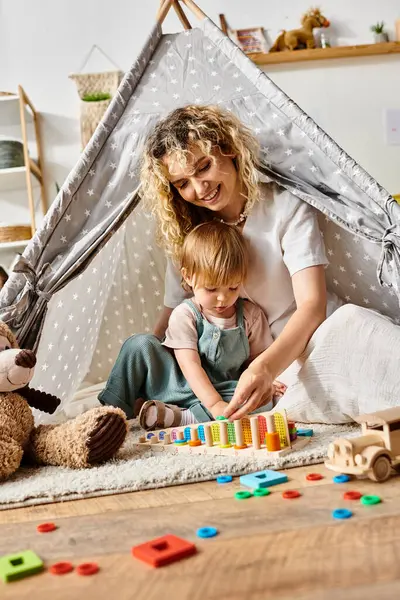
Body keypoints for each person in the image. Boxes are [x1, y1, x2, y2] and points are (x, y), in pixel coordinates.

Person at [140, 104, 341, 421]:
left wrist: (264, 367)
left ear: (229, 149)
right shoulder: (188, 233)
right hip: (237, 371)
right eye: (182, 183)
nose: (199, 188)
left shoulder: (284, 207)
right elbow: (172, 313)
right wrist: (150, 365)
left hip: (305, 341)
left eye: (204, 167)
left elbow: (313, 305)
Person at [98, 220, 283, 428]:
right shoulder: (185, 314)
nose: (222, 298)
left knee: (261, 401)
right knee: (139, 344)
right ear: (188, 276)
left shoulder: (251, 316)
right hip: (176, 384)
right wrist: (214, 405)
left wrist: (266, 378)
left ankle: (181, 417)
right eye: (211, 289)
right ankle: (110, 413)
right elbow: (190, 365)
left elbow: (257, 360)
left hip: (222, 389)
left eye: (233, 287)